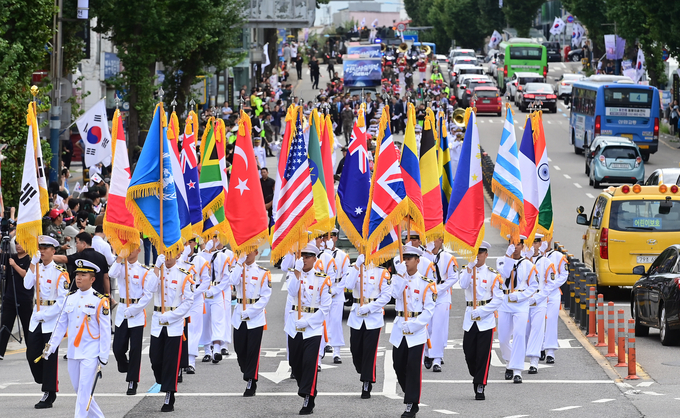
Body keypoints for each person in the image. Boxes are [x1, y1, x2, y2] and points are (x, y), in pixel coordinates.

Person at [42, 259, 110, 417]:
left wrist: (103, 357)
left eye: (83, 275)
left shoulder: (100, 300)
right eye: (77, 274)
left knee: (84, 392)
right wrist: (50, 346)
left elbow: (105, 331)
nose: (78, 277)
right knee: (80, 391)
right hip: (73, 352)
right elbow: (60, 325)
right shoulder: (69, 297)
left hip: (91, 353)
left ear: (92, 279)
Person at [285, 243, 332, 415]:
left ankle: (308, 398)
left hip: (312, 328)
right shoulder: (295, 274)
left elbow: (325, 308)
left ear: (315, 258)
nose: (304, 259)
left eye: (307, 256)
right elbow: (291, 292)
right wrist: (296, 273)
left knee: (310, 364)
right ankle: (306, 389)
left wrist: (310, 322)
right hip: (294, 325)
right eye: (302, 256)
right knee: (295, 364)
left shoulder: (322, 279)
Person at [24, 235, 70, 409]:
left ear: (53, 251)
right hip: (36, 318)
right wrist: (32, 264)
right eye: (40, 248)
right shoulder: (36, 268)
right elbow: (27, 285)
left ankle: (49, 393)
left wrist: (46, 315)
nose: (42, 251)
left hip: (51, 320)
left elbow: (62, 301)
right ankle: (45, 380)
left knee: (48, 356)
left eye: (45, 248)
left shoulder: (59, 273)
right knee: (31, 355)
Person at [390, 245, 436, 418]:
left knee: (413, 368)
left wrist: (415, 325)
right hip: (400, 329)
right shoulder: (398, 278)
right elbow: (394, 294)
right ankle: (410, 392)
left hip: (416, 332)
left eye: (410, 258)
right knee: (398, 365)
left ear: (418, 260)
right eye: (405, 258)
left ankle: (411, 403)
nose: (406, 261)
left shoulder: (426, 283)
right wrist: (400, 276)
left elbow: (429, 310)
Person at [148, 252, 195, 412]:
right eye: (164, 255)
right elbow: (149, 288)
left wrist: (172, 315)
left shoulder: (184, 275)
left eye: (170, 254)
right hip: (157, 321)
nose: (167, 258)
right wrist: (156, 267)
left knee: (170, 361)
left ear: (177, 255)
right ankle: (163, 381)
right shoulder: (156, 272)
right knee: (155, 359)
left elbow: (188, 301)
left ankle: (169, 394)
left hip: (174, 322)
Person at [459, 241, 503, 400]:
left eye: (481, 252)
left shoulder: (492, 274)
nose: (478, 255)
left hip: (485, 319)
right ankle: (475, 373)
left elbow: (498, 299)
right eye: (475, 252)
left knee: (484, 354)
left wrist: (483, 311)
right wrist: (470, 268)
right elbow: (463, 284)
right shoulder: (466, 270)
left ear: (486, 254)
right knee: (468, 352)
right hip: (470, 317)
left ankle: (480, 385)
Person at [110, 246, 155, 395]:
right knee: (117, 348)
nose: (129, 252)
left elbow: (148, 295)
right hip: (122, 310)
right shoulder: (121, 266)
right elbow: (111, 273)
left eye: (132, 249)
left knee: (135, 350)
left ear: (138, 250)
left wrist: (134, 309)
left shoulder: (144, 271)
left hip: (136, 313)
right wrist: (119, 257)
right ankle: (125, 367)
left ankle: (132, 382)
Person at [345, 253, 392, 398]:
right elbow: (348, 285)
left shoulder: (381, 272)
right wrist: (356, 266)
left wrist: (370, 307)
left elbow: (386, 296)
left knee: (369, 352)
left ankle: (367, 382)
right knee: (355, 349)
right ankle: (362, 369)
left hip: (373, 316)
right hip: (357, 315)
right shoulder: (355, 269)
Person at [227, 249, 272, 396]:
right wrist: (239, 262)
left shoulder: (262, 272)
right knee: (240, 350)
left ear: (256, 252)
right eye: (244, 251)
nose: (247, 254)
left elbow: (265, 297)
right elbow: (232, 281)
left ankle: (251, 381)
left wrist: (252, 311)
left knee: (253, 351)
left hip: (255, 316)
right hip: (239, 314)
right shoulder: (238, 268)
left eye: (249, 251)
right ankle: (247, 371)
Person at [496, 236, 539, 383]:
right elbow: (506, 274)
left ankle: (517, 370)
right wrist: (508, 257)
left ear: (522, 246)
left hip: (520, 302)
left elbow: (534, 285)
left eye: (518, 244)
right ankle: (509, 362)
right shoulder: (501, 261)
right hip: (505, 302)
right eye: (512, 244)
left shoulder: (527, 265)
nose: (515, 247)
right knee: (503, 338)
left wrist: (521, 296)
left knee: (519, 335)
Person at [421, 237, 459, 372]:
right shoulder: (422, 256)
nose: (431, 241)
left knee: (438, 327)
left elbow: (454, 277)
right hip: (427, 295)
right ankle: (427, 352)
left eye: (434, 239)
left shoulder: (448, 257)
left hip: (442, 295)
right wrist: (427, 254)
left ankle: (436, 358)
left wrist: (439, 289)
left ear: (441, 240)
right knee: (427, 326)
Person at [53, 232, 111, 305]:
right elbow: (106, 277)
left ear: (84, 244)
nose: (76, 245)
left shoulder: (80, 255)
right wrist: (107, 293)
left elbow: (65, 259)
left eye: (77, 243)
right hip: (98, 294)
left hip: (81, 295)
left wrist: (50, 257)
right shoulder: (101, 257)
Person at [526, 234, 554, 375]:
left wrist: (538, 297)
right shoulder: (521, 261)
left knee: (537, 330)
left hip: (539, 300)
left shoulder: (546, 262)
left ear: (540, 244)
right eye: (530, 242)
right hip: (523, 300)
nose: (533, 245)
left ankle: (534, 362)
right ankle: (516, 361)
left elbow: (550, 284)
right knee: (522, 332)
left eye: (536, 242)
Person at [0, 238, 32, 359]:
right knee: (5, 324)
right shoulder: (11, 256)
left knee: (27, 325)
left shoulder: (31, 259)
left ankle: (32, 351)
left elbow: (27, 275)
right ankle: (0, 351)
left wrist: (14, 265)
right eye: (17, 243)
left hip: (24, 298)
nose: (18, 246)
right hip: (10, 297)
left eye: (22, 243)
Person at [322, 229, 350, 363]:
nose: (329, 239)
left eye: (332, 236)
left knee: (336, 322)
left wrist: (337, 290)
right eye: (326, 236)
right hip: (323, 292)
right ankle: (321, 350)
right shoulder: (320, 255)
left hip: (337, 292)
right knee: (322, 321)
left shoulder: (342, 256)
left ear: (336, 238)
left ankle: (336, 352)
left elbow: (346, 276)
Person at [542, 240, 569, 364]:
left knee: (551, 321)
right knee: (538, 321)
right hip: (538, 294)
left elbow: (564, 274)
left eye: (545, 238)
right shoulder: (532, 256)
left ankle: (550, 352)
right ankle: (540, 347)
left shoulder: (558, 256)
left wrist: (552, 286)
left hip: (553, 294)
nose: (543, 242)